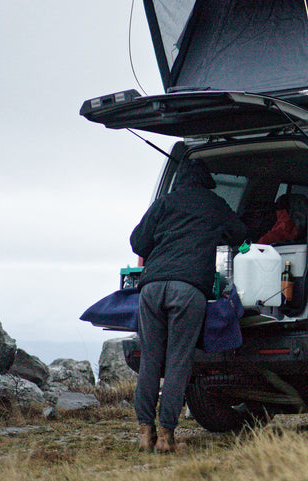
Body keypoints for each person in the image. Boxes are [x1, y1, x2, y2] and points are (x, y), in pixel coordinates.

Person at [129, 158, 249, 452]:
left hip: (152, 287)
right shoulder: (214, 204)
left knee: (150, 362)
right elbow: (239, 234)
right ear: (205, 181)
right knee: (179, 362)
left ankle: (145, 433)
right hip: (188, 289)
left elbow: (137, 242)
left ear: (179, 180)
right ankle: (167, 437)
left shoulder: (164, 203)